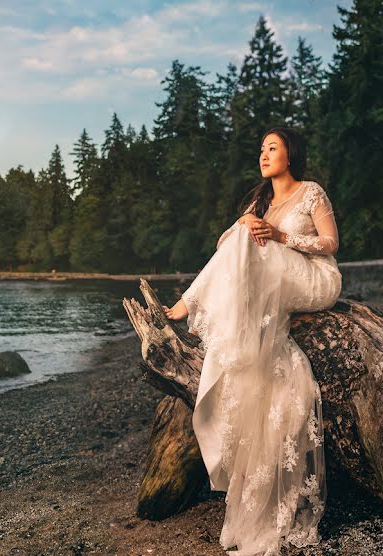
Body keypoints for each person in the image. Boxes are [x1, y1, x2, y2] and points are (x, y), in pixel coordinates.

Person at [162, 127, 342, 555]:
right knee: (242, 235)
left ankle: (190, 306)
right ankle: (218, 322)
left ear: (290, 154)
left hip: (315, 278)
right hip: (274, 282)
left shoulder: (310, 192)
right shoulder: (260, 199)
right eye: (261, 148)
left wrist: (279, 236)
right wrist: (246, 222)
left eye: (272, 148)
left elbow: (331, 243)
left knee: (252, 239)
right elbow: (226, 247)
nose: (263, 154)